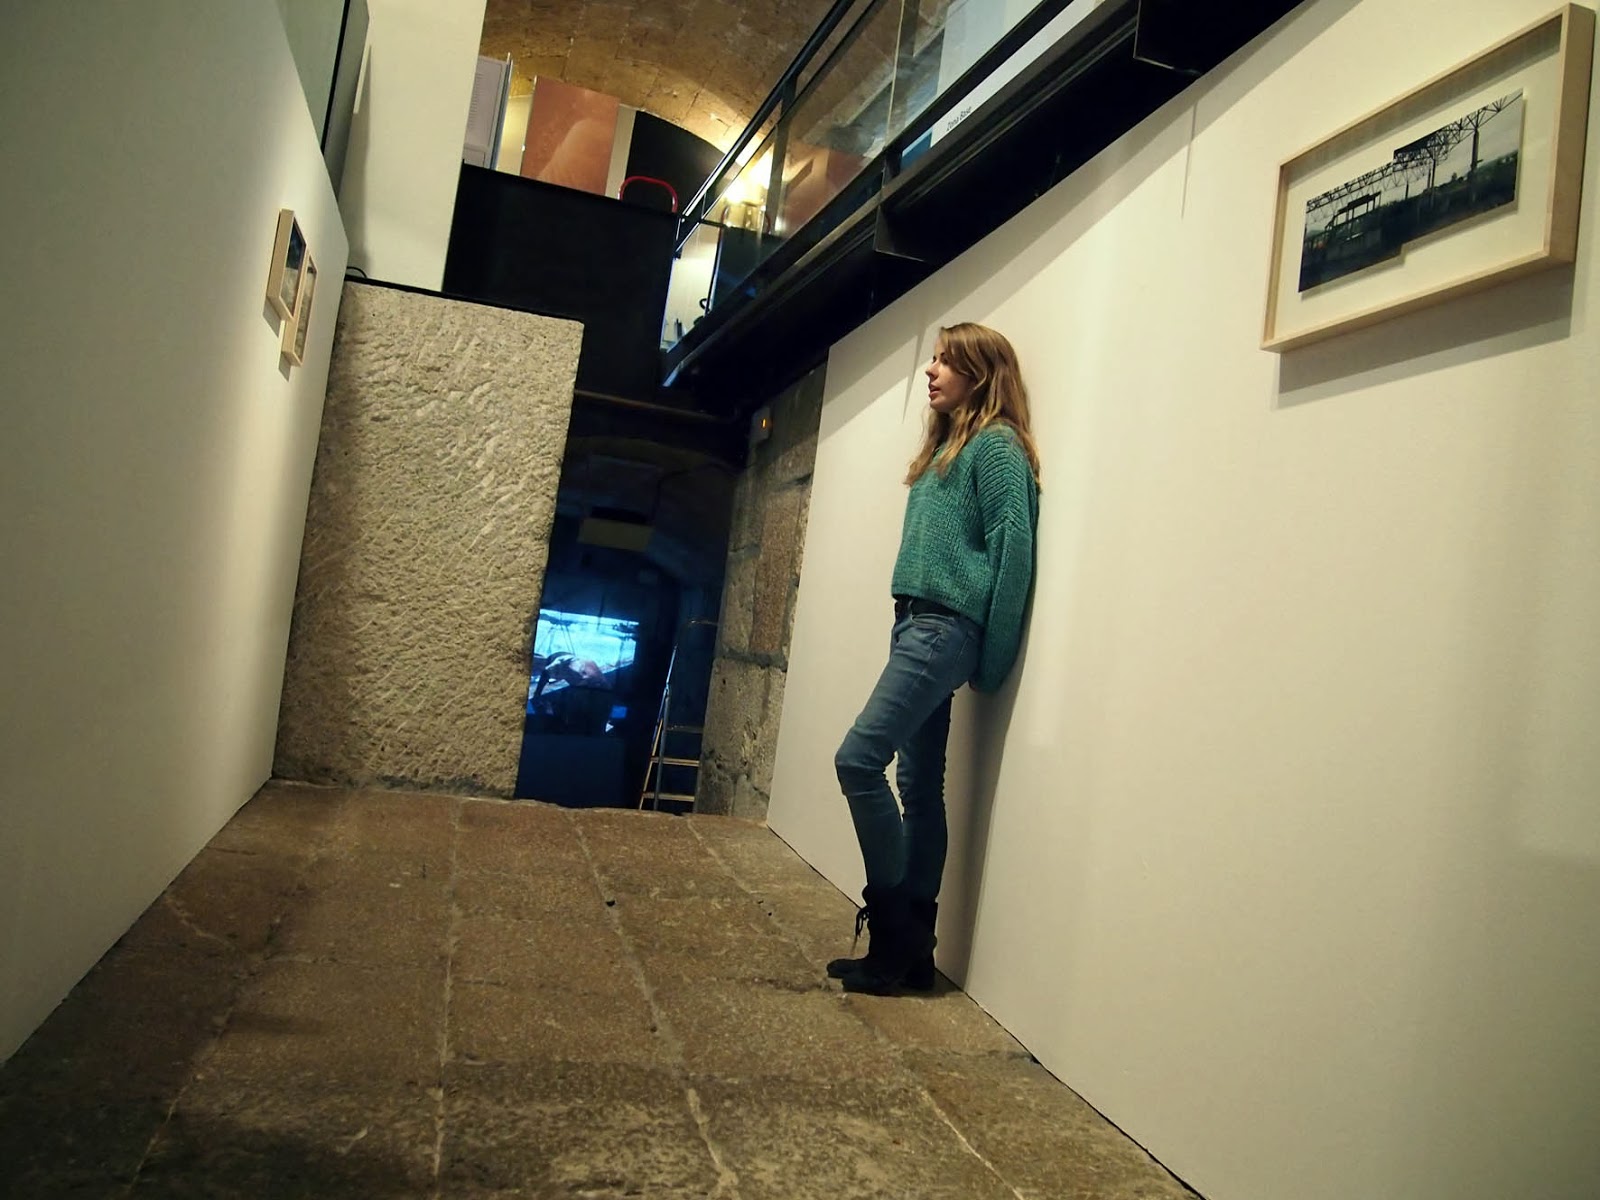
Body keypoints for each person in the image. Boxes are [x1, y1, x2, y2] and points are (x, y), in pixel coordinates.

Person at [829, 322, 1041, 995]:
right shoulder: (947, 447)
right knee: (919, 787)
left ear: (982, 374)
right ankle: (913, 955)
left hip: (945, 630)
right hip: (915, 624)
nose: (931, 369)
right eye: (935, 358)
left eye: (948, 360)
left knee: (858, 760)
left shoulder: (998, 446)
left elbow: (1013, 553)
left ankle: (897, 936)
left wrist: (991, 661)